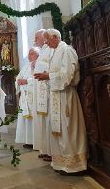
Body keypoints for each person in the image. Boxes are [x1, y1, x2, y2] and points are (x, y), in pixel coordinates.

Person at [34, 29, 87, 174]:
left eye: (47, 40)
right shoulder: (56, 51)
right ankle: (61, 162)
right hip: (57, 96)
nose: (46, 43)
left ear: (55, 37)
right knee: (58, 130)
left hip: (66, 95)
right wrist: (47, 76)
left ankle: (74, 165)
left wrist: (48, 76)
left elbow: (68, 75)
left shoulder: (66, 50)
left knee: (68, 129)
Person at [32, 29, 53, 162]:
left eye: (36, 38)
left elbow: (51, 66)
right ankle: (45, 149)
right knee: (43, 121)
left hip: (47, 90)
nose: (35, 40)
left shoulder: (49, 50)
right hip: (41, 90)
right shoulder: (44, 51)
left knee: (49, 121)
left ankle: (51, 151)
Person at [15, 47, 39, 148]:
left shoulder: (39, 65)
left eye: (32, 54)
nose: (29, 56)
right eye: (29, 53)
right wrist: (18, 81)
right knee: (25, 119)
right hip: (25, 96)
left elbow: (39, 80)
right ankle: (28, 140)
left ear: (38, 55)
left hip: (33, 96)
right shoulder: (26, 66)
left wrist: (27, 81)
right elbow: (18, 77)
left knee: (33, 118)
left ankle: (35, 141)